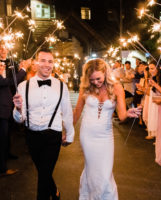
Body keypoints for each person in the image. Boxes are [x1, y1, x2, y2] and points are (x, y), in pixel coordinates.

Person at [73, 58, 141, 200]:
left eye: (98, 78)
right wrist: (68, 131)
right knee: (91, 169)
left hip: (105, 137)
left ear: (105, 72)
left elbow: (121, 115)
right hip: (87, 135)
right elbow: (77, 111)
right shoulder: (85, 87)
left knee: (105, 172)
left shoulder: (117, 87)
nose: (95, 82)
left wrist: (128, 114)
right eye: (92, 80)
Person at [13, 48, 74, 200]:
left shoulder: (61, 86)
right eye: (43, 60)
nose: (47, 65)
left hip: (53, 134)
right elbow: (19, 119)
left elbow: (67, 112)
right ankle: (54, 191)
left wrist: (70, 134)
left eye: (50, 61)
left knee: (44, 174)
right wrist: (18, 109)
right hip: (32, 135)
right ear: (36, 63)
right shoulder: (23, 86)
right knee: (43, 171)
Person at [0, 58, 26, 176]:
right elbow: (12, 81)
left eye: (1, 65)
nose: (0, 67)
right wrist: (23, 70)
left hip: (2, 113)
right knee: (1, 141)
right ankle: (2, 169)